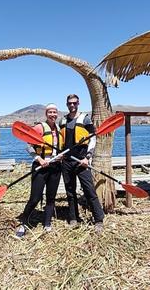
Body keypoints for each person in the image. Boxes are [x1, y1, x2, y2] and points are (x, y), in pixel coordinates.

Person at [15, 103, 63, 238]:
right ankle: (23, 223)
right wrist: (39, 159)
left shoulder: (59, 129)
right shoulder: (39, 127)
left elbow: (60, 148)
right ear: (46, 114)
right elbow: (29, 146)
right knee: (35, 198)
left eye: (54, 112)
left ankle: (47, 223)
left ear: (57, 114)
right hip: (40, 166)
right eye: (50, 112)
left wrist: (61, 156)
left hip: (55, 167)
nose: (52, 114)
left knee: (51, 197)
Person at [59, 94, 104, 232]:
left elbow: (93, 138)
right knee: (70, 191)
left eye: (74, 103)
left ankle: (98, 219)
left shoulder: (85, 119)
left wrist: (88, 157)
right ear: (67, 104)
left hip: (81, 160)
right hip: (67, 161)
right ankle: (73, 218)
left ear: (78, 103)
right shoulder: (62, 120)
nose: (72, 105)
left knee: (89, 190)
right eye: (70, 103)